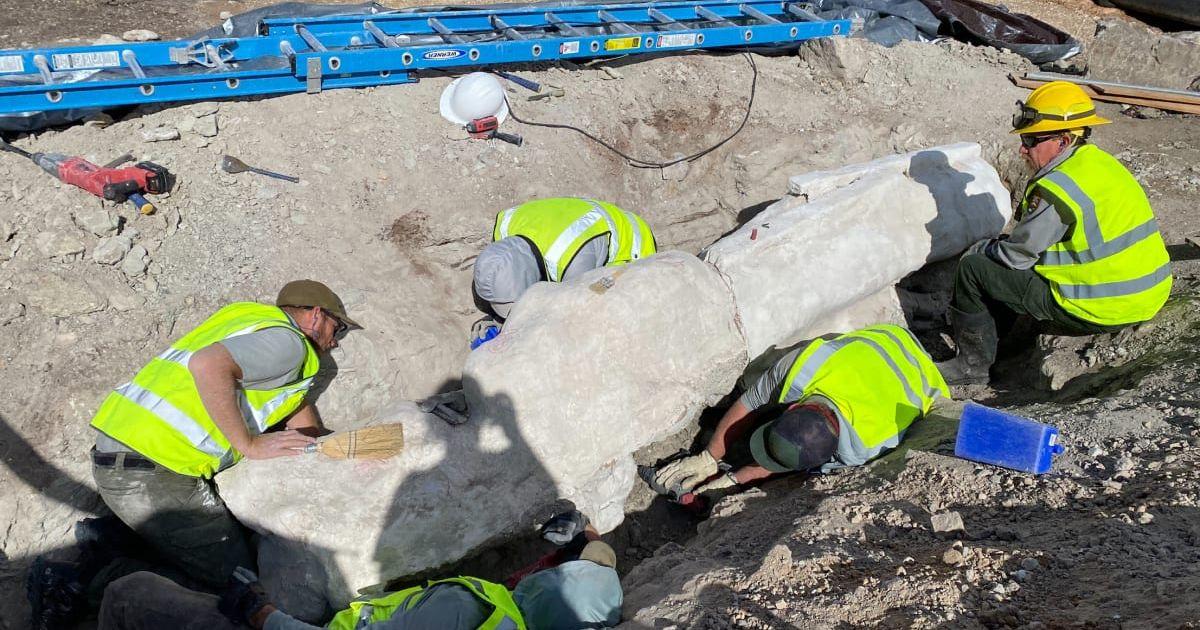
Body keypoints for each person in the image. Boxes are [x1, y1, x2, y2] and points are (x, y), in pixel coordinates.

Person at [29, 280, 359, 629]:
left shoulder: (250, 323)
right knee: (239, 585)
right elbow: (209, 365)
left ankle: (119, 538)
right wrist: (248, 444)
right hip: (152, 468)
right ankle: (77, 583)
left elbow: (289, 406)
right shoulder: (290, 345)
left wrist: (322, 447)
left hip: (131, 451)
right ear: (315, 315)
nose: (336, 341)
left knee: (220, 548)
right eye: (337, 328)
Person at [937, 81, 1172, 385]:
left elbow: (1017, 256)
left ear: (1063, 140)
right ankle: (1002, 342)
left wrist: (985, 249)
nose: (1023, 148)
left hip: (1100, 306)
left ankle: (970, 369)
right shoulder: (1100, 164)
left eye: (1032, 140)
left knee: (974, 269)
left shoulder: (1058, 189)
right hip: (1149, 293)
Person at [96, 510, 622, 630]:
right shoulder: (567, 614)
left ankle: (107, 568)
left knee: (131, 593)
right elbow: (600, 567)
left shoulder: (467, 610)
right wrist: (586, 537)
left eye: (554, 571)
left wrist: (264, 616)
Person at [653, 325, 948, 495]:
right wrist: (709, 456)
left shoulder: (863, 449)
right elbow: (751, 401)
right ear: (793, 405)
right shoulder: (803, 368)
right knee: (757, 374)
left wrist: (732, 482)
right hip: (887, 338)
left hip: (927, 380)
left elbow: (793, 463)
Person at [470, 197, 656, 344]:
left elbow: (569, 319)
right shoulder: (504, 227)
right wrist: (498, 319)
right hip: (575, 221)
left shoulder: (572, 262)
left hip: (631, 245)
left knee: (603, 316)